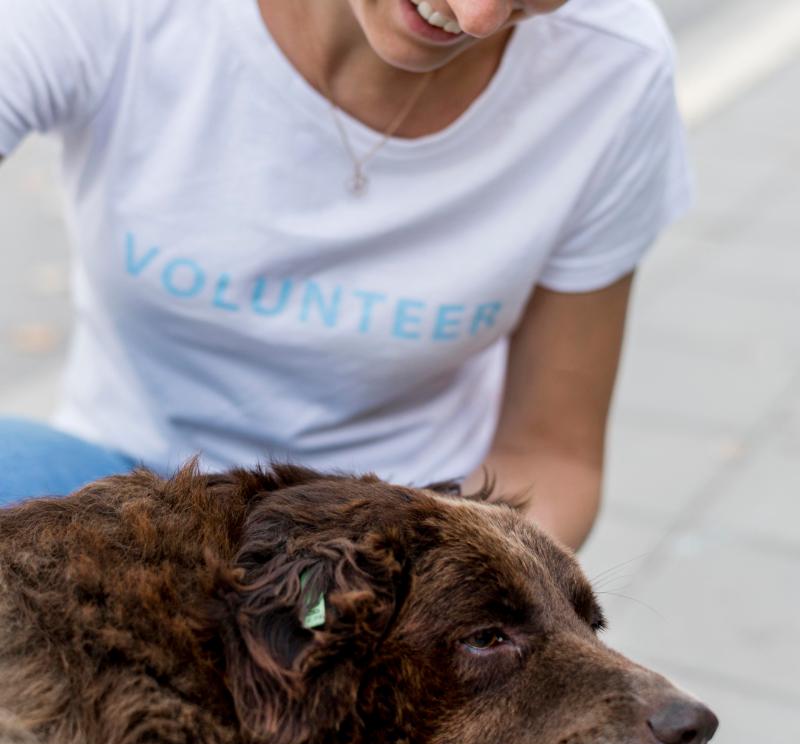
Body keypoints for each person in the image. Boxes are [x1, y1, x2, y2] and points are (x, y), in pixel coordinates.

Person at [0, 0, 691, 550]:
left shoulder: (613, 68)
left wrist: (428, 609)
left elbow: (552, 456)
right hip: (129, 480)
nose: (479, 15)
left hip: (399, 533)